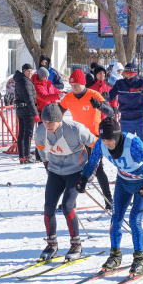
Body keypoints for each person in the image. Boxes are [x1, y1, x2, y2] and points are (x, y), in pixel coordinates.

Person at [80, 117, 143, 276]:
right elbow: (92, 163)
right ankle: (115, 255)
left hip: (141, 183)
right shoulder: (100, 144)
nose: (107, 143)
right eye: (104, 139)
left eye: (110, 140)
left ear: (117, 136)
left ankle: (139, 259)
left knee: (134, 220)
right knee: (115, 219)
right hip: (123, 183)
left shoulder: (133, 144)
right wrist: (83, 179)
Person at [34, 103, 98, 262]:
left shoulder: (75, 129)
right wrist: (46, 164)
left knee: (68, 205)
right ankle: (51, 244)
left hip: (76, 171)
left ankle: (76, 244)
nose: (47, 125)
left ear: (59, 120)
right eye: (44, 121)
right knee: (48, 206)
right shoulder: (41, 132)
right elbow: (41, 148)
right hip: (56, 171)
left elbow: (96, 145)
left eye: (51, 122)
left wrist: (91, 171)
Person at [58, 69, 116, 208]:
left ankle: (108, 200)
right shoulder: (69, 97)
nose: (74, 88)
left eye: (77, 85)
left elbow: (111, 112)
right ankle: (71, 201)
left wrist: (100, 105)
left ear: (83, 83)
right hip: (77, 137)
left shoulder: (93, 94)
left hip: (94, 137)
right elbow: (58, 112)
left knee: (98, 169)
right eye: (72, 85)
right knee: (73, 169)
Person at [109, 62, 143, 152]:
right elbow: (110, 96)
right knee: (126, 143)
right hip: (126, 118)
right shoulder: (119, 83)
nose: (128, 77)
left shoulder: (142, 82)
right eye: (126, 74)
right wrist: (105, 96)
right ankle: (130, 164)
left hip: (140, 117)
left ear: (135, 74)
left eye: (131, 75)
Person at [13, 63, 38, 164]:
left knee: (22, 133)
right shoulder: (26, 82)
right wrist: (35, 113)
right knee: (28, 134)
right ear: (24, 71)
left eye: (31, 71)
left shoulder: (19, 80)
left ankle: (22, 157)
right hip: (27, 111)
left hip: (21, 110)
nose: (30, 73)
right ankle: (27, 156)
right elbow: (29, 99)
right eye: (28, 71)